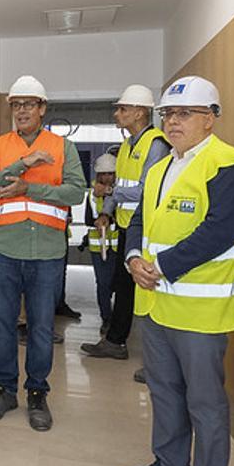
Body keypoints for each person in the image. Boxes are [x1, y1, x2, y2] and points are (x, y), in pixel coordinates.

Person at [117, 76, 234, 466]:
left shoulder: (230, 164)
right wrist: (134, 256)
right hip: (158, 304)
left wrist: (160, 265)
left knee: (205, 400)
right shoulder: (161, 167)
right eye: (168, 115)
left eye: (183, 114)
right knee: (164, 390)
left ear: (210, 118)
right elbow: (140, 219)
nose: (173, 122)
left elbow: (222, 230)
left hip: (201, 309)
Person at [0, 76, 86, 431]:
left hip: (48, 253)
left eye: (28, 104)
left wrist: (30, 188)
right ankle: (4, 390)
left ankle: (37, 393)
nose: (21, 111)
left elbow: (75, 193)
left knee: (41, 327)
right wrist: (23, 163)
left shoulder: (62, 148)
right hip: (3, 250)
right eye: (15, 105)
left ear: (42, 108)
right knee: (2, 323)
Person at [81, 84, 170, 363]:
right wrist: (106, 211)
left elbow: (146, 190)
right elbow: (121, 185)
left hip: (146, 232)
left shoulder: (156, 144)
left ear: (140, 112)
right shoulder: (127, 147)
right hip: (126, 229)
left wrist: (108, 193)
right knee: (125, 288)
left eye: (122, 109)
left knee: (146, 290)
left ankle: (151, 356)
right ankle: (116, 341)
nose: (117, 114)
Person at [84, 152, 120, 333]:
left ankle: (118, 317)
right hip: (99, 247)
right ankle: (106, 318)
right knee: (103, 284)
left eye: (110, 173)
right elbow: (87, 218)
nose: (107, 177)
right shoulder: (92, 193)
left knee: (117, 283)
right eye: (103, 173)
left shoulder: (121, 191)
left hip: (118, 245)